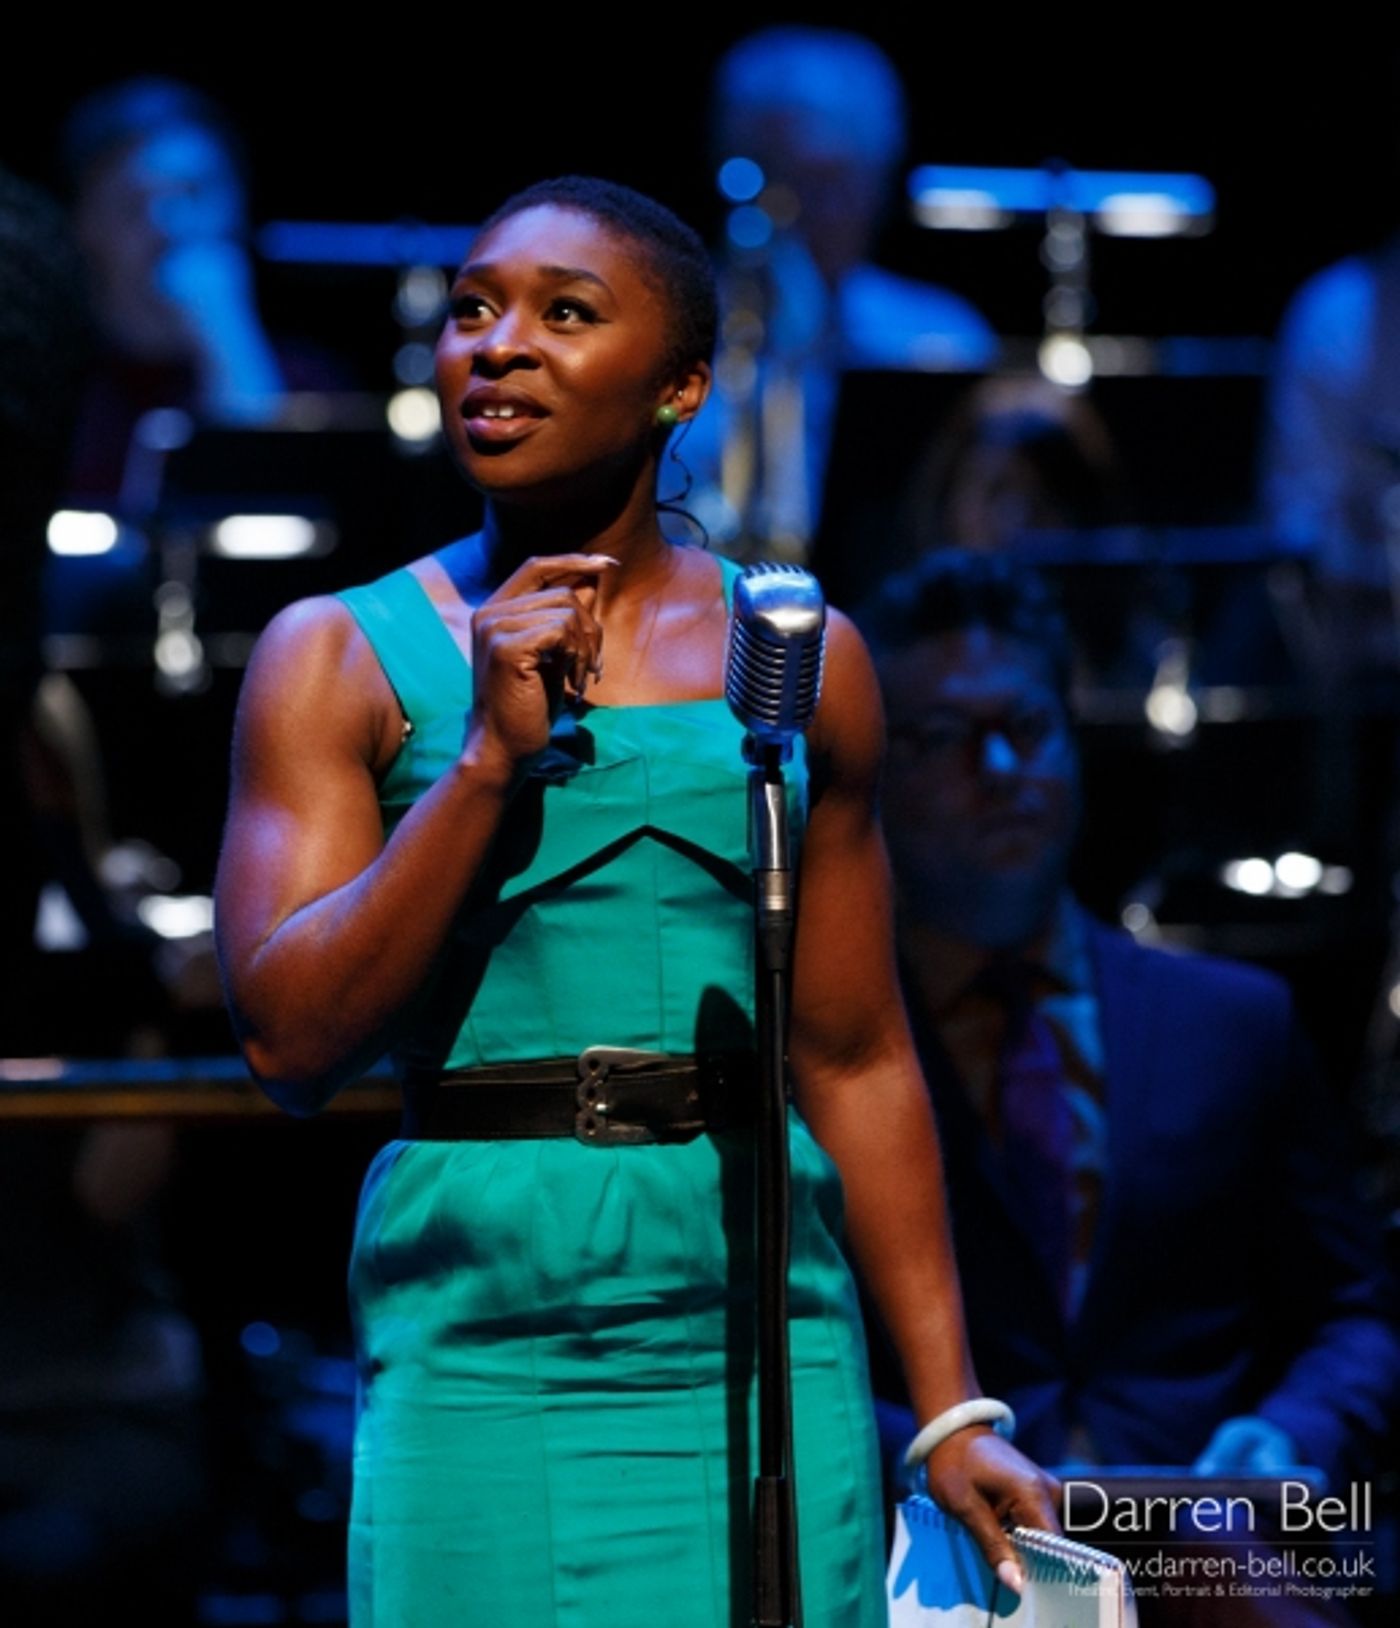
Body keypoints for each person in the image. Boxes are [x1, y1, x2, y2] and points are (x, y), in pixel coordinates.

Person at [214, 177, 1056, 1625]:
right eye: (475, 308)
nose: (499, 345)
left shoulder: (795, 656)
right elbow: (291, 1043)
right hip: (486, 1323)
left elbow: (854, 1056)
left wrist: (951, 1410)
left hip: (750, 1312)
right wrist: (486, 764)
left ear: (681, 385)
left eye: (564, 313)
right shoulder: (334, 657)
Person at [858, 549, 1400, 1488]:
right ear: (869, 774)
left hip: (1205, 1544)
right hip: (928, 1558)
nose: (999, 768)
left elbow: (1355, 1310)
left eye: (1028, 726)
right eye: (944, 734)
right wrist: (912, 1450)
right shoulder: (832, 1050)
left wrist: (1294, 1433)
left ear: (1073, 741)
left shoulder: (1234, 1023)